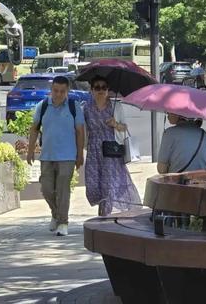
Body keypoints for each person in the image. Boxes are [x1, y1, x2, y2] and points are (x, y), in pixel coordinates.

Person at [27, 76, 85, 236]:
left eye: (62, 91)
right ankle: (56, 214)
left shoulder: (74, 107)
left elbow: (80, 131)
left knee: (63, 189)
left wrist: (80, 154)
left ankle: (63, 223)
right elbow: (34, 129)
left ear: (67, 91)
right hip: (47, 155)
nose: (58, 94)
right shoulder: (43, 105)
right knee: (46, 189)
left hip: (67, 156)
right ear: (51, 90)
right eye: (55, 91)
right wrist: (30, 150)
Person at [84, 76, 141, 216]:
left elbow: (124, 127)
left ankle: (104, 215)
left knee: (109, 185)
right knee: (93, 185)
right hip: (93, 150)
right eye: (97, 87)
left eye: (104, 87)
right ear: (91, 90)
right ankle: (103, 210)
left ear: (108, 89)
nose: (101, 90)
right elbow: (81, 130)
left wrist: (115, 124)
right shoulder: (86, 108)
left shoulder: (116, 106)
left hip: (111, 150)